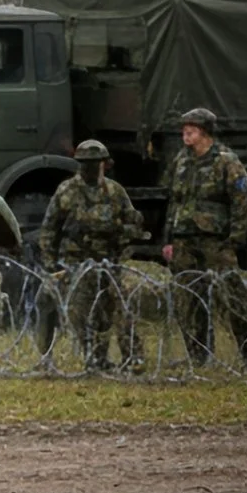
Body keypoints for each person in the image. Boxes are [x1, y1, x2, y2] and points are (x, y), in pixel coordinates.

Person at [161, 107, 247, 369]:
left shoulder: (226, 162)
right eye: (184, 130)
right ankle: (198, 355)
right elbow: (174, 201)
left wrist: (236, 238)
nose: (185, 135)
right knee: (187, 297)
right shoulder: (181, 162)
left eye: (191, 130)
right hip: (184, 238)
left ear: (205, 132)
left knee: (232, 295)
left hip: (216, 240)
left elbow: (242, 202)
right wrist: (168, 239)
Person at [48, 139, 145, 371]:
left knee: (118, 311)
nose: (90, 168)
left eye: (95, 163)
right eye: (86, 163)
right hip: (77, 263)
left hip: (108, 261)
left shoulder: (115, 191)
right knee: (80, 313)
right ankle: (94, 357)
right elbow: (50, 228)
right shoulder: (66, 191)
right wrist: (50, 261)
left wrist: (119, 231)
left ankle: (133, 357)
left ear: (104, 164)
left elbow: (134, 223)